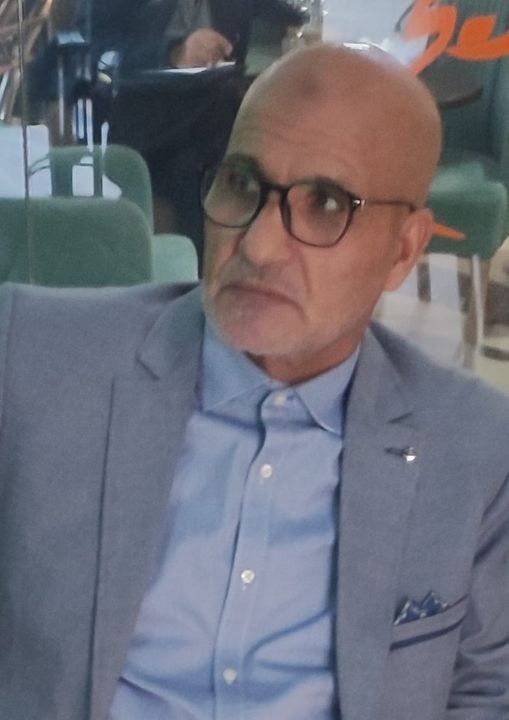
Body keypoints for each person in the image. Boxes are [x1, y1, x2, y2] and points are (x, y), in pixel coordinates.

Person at [1, 43, 508, 720]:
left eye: (325, 203)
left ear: (403, 250)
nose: (260, 246)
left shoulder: (474, 448)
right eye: (242, 183)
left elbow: (487, 691)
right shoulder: (30, 356)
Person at [78, 0, 306, 258]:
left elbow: (287, 12)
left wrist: (308, 23)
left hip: (223, 110)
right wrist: (174, 52)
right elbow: (98, 47)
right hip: (151, 117)